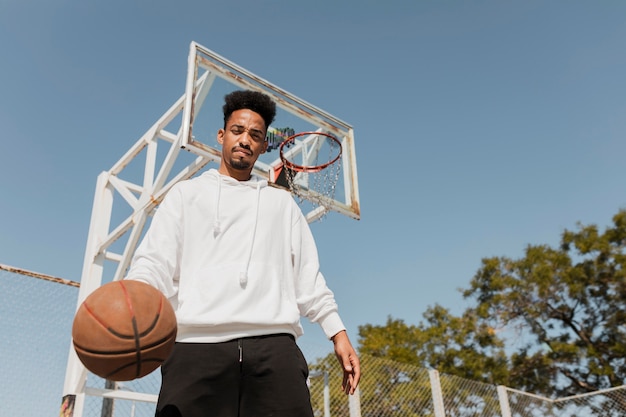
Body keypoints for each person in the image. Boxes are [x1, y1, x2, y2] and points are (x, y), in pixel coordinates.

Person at [124, 90, 361, 417]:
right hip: (196, 348)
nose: (245, 140)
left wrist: (338, 333)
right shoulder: (185, 195)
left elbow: (308, 279)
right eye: (237, 131)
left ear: (264, 146)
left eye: (255, 135)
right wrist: (131, 303)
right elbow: (153, 264)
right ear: (222, 135)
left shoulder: (281, 203)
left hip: (274, 349)